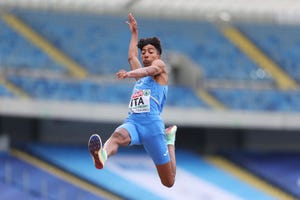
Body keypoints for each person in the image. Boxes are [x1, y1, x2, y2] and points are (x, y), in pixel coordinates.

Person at [88, 13, 177, 188]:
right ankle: (102, 156)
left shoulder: (160, 67)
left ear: (158, 55)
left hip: (152, 127)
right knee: (117, 135)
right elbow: (131, 57)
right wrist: (134, 33)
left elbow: (146, 71)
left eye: (150, 52)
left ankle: (169, 140)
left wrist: (129, 74)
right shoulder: (141, 77)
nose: (145, 55)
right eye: (143, 52)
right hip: (134, 122)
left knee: (168, 181)